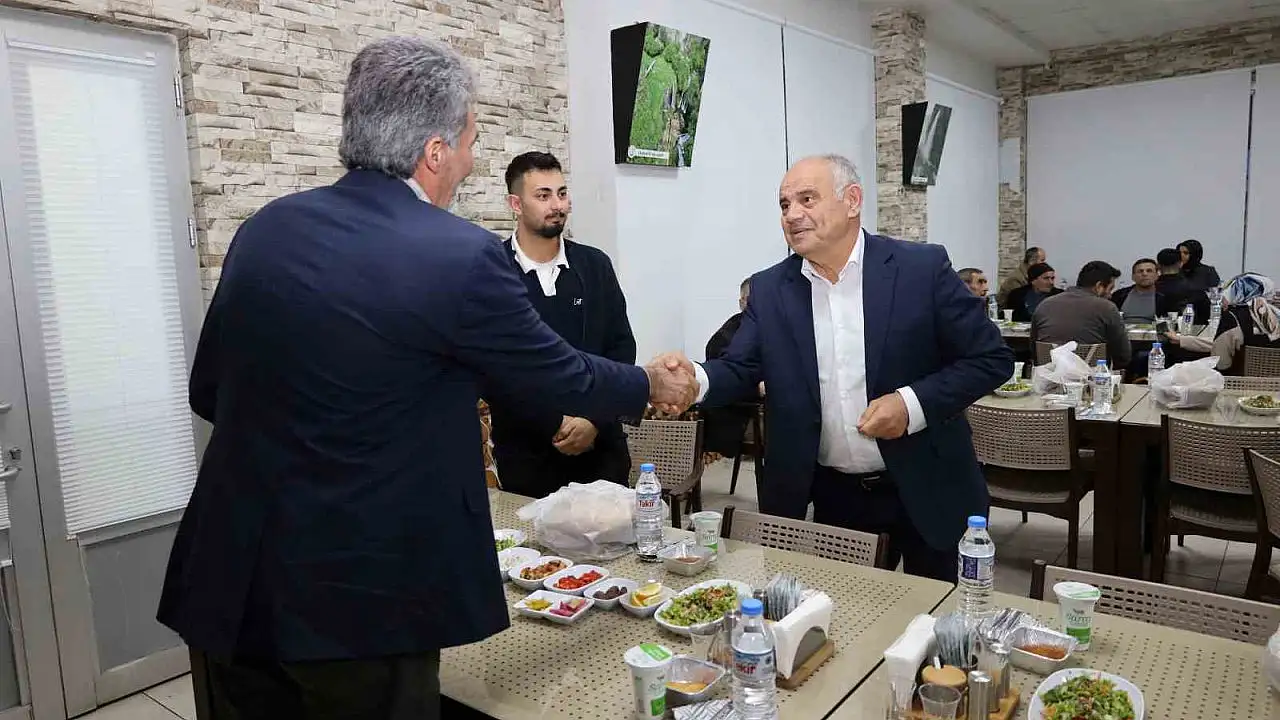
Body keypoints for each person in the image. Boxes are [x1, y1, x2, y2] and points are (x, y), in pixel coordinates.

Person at [157, 37, 696, 720]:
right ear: (435, 151)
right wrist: (653, 384)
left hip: (230, 580)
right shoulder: (459, 254)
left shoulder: (264, 230)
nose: (470, 161)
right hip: (360, 598)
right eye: (470, 142)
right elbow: (558, 374)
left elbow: (208, 391)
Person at [656, 154, 1013, 582]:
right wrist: (694, 380)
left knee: (939, 617)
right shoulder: (771, 289)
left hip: (930, 484)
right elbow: (739, 367)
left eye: (807, 199)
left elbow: (990, 358)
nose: (792, 214)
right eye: (784, 204)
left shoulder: (920, 269)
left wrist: (911, 405)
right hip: (837, 498)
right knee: (849, 614)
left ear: (852, 200)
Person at [484, 151, 637, 498]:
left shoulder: (595, 265)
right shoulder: (492, 270)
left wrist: (593, 420)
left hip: (601, 451)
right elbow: (495, 370)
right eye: (543, 195)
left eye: (562, 193)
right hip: (527, 457)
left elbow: (621, 349)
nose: (557, 205)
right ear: (515, 204)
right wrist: (556, 423)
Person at [1165, 272, 1280, 372]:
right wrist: (1183, 340)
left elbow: (1221, 361)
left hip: (1238, 384)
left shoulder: (1233, 319)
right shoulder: (1275, 315)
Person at [1031, 260, 1131, 368]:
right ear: (1098, 286)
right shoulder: (1107, 308)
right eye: (1110, 289)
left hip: (1049, 374)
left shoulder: (1044, 305)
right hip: (1092, 375)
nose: (1110, 295)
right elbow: (1123, 355)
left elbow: (1034, 350)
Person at [1155, 248, 1210, 324]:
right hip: (1189, 328)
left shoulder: (1151, 288)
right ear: (1181, 264)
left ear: (1158, 266)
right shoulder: (1196, 288)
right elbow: (1206, 316)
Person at [1110, 258, 1170, 323]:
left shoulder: (1165, 297)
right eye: (1140, 271)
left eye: (1149, 271)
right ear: (1133, 277)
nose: (1144, 274)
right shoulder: (1119, 295)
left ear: (1157, 276)